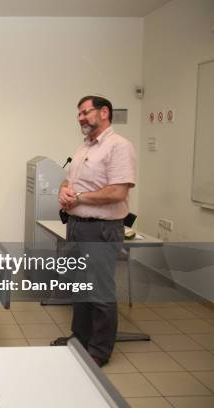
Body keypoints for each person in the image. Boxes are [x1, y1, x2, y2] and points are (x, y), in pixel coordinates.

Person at [51, 95, 136, 367]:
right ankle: (79, 339)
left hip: (101, 229)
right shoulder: (84, 147)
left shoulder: (119, 146)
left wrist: (79, 199)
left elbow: (118, 191)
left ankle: (98, 351)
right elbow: (71, 179)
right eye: (78, 114)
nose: (81, 118)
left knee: (99, 291)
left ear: (104, 113)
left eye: (86, 112)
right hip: (76, 226)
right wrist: (64, 189)